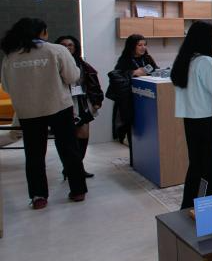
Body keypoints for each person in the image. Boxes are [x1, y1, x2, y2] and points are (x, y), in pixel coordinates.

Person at [1, 18, 88, 208]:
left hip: (28, 111)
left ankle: (38, 196)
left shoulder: (11, 56)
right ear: (42, 32)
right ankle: (78, 190)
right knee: (69, 149)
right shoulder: (56, 50)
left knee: (34, 154)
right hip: (58, 106)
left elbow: (6, 86)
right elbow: (72, 77)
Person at [170, 21, 212, 209]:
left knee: (196, 165)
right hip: (207, 119)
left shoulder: (185, 61)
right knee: (209, 167)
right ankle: (205, 208)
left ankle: (188, 205)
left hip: (190, 120)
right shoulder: (205, 62)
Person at [56, 35, 103, 178]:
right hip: (62, 103)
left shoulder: (82, 64)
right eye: (63, 45)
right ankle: (70, 167)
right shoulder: (54, 63)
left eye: (70, 45)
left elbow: (93, 82)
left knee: (83, 134)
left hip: (81, 102)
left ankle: (76, 167)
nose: (67, 48)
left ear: (75, 47)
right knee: (67, 138)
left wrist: (97, 100)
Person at [110, 34, 158, 146]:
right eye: (139, 45)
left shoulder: (148, 58)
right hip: (130, 99)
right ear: (132, 46)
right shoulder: (124, 60)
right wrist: (133, 73)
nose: (143, 47)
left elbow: (155, 71)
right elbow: (117, 78)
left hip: (147, 97)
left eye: (144, 45)